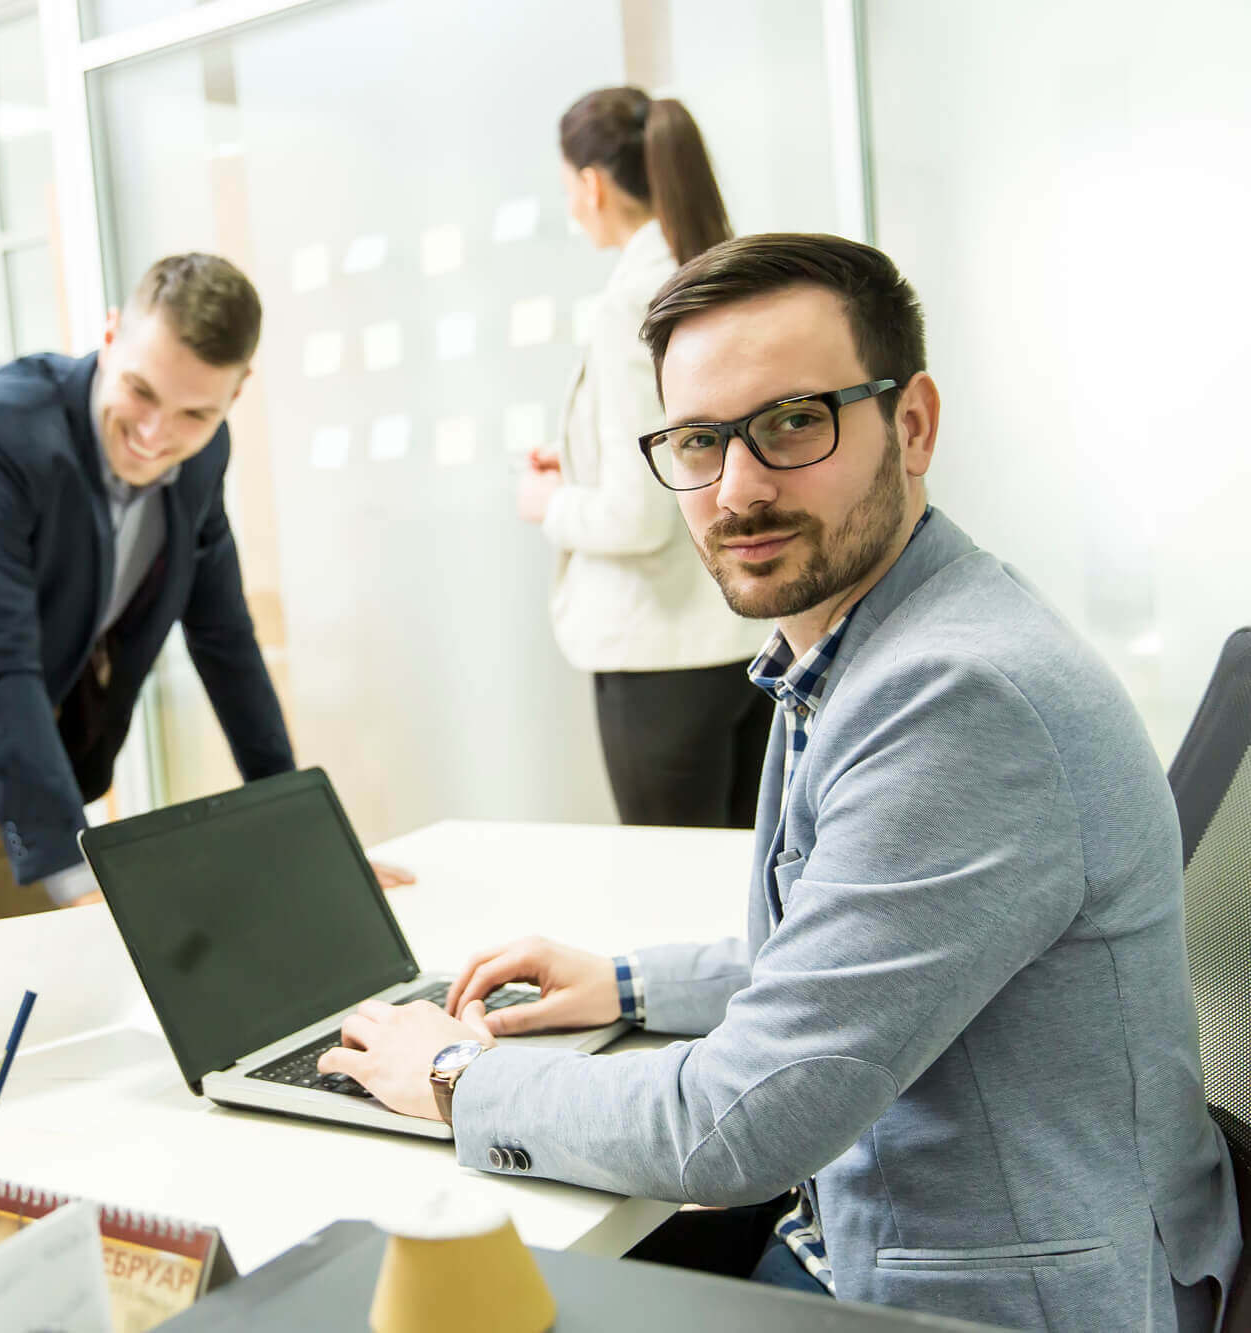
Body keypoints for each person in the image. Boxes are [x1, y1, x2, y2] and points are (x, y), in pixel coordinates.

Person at [320, 235, 1240, 1329]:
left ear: (912, 424)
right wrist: (621, 984)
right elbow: (839, 953)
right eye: (698, 440)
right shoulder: (871, 639)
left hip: (1000, 1300)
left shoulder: (960, 698)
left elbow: (738, 1125)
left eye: (794, 422)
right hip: (874, 1240)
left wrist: (454, 1076)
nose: (737, 488)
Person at [0, 253, 409, 918]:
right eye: (141, 391)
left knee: (75, 963)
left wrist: (301, 828)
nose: (155, 435)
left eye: (194, 413)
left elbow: (225, 640)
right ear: (110, 335)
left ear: (237, 392)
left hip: (10, 749)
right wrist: (76, 876)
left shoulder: (204, 455)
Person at [518, 86, 769, 828]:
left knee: (668, 879)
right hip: (744, 643)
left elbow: (639, 517)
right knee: (747, 871)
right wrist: (580, 461)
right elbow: (705, 454)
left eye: (567, 186)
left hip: (661, 657)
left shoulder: (632, 301)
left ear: (591, 185)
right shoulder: (721, 276)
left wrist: (549, 503)